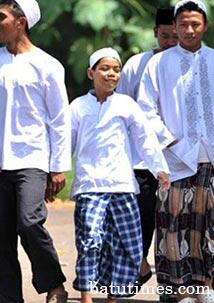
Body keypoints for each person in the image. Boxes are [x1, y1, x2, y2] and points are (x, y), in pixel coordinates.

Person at [0, 0, 71, 302]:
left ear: (21, 22)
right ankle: (9, 298)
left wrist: (58, 166)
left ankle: (54, 284)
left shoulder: (48, 65)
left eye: (1, 17)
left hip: (34, 159)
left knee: (29, 222)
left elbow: (59, 119)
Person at [70, 48, 170, 303]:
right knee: (89, 241)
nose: (111, 74)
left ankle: (114, 296)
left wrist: (159, 168)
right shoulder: (78, 107)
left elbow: (145, 139)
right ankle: (86, 296)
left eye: (116, 69)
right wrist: (54, 172)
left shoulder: (127, 104)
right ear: (91, 72)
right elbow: (64, 144)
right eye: (105, 68)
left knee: (124, 244)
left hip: (123, 185)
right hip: (89, 185)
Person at [138, 1, 214, 302]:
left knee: (207, 223)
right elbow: (146, 108)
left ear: (205, 25)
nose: (189, 30)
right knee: (173, 225)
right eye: (183, 24)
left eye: (195, 24)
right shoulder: (159, 64)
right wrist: (168, 140)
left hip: (210, 156)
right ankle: (178, 290)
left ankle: (206, 286)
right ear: (175, 26)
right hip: (174, 158)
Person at [117, 7, 178, 286]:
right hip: (141, 160)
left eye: (176, 37)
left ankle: (173, 281)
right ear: (155, 33)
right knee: (141, 219)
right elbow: (122, 107)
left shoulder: (188, 64)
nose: (171, 43)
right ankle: (136, 270)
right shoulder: (135, 65)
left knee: (176, 224)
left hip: (179, 158)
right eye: (166, 36)